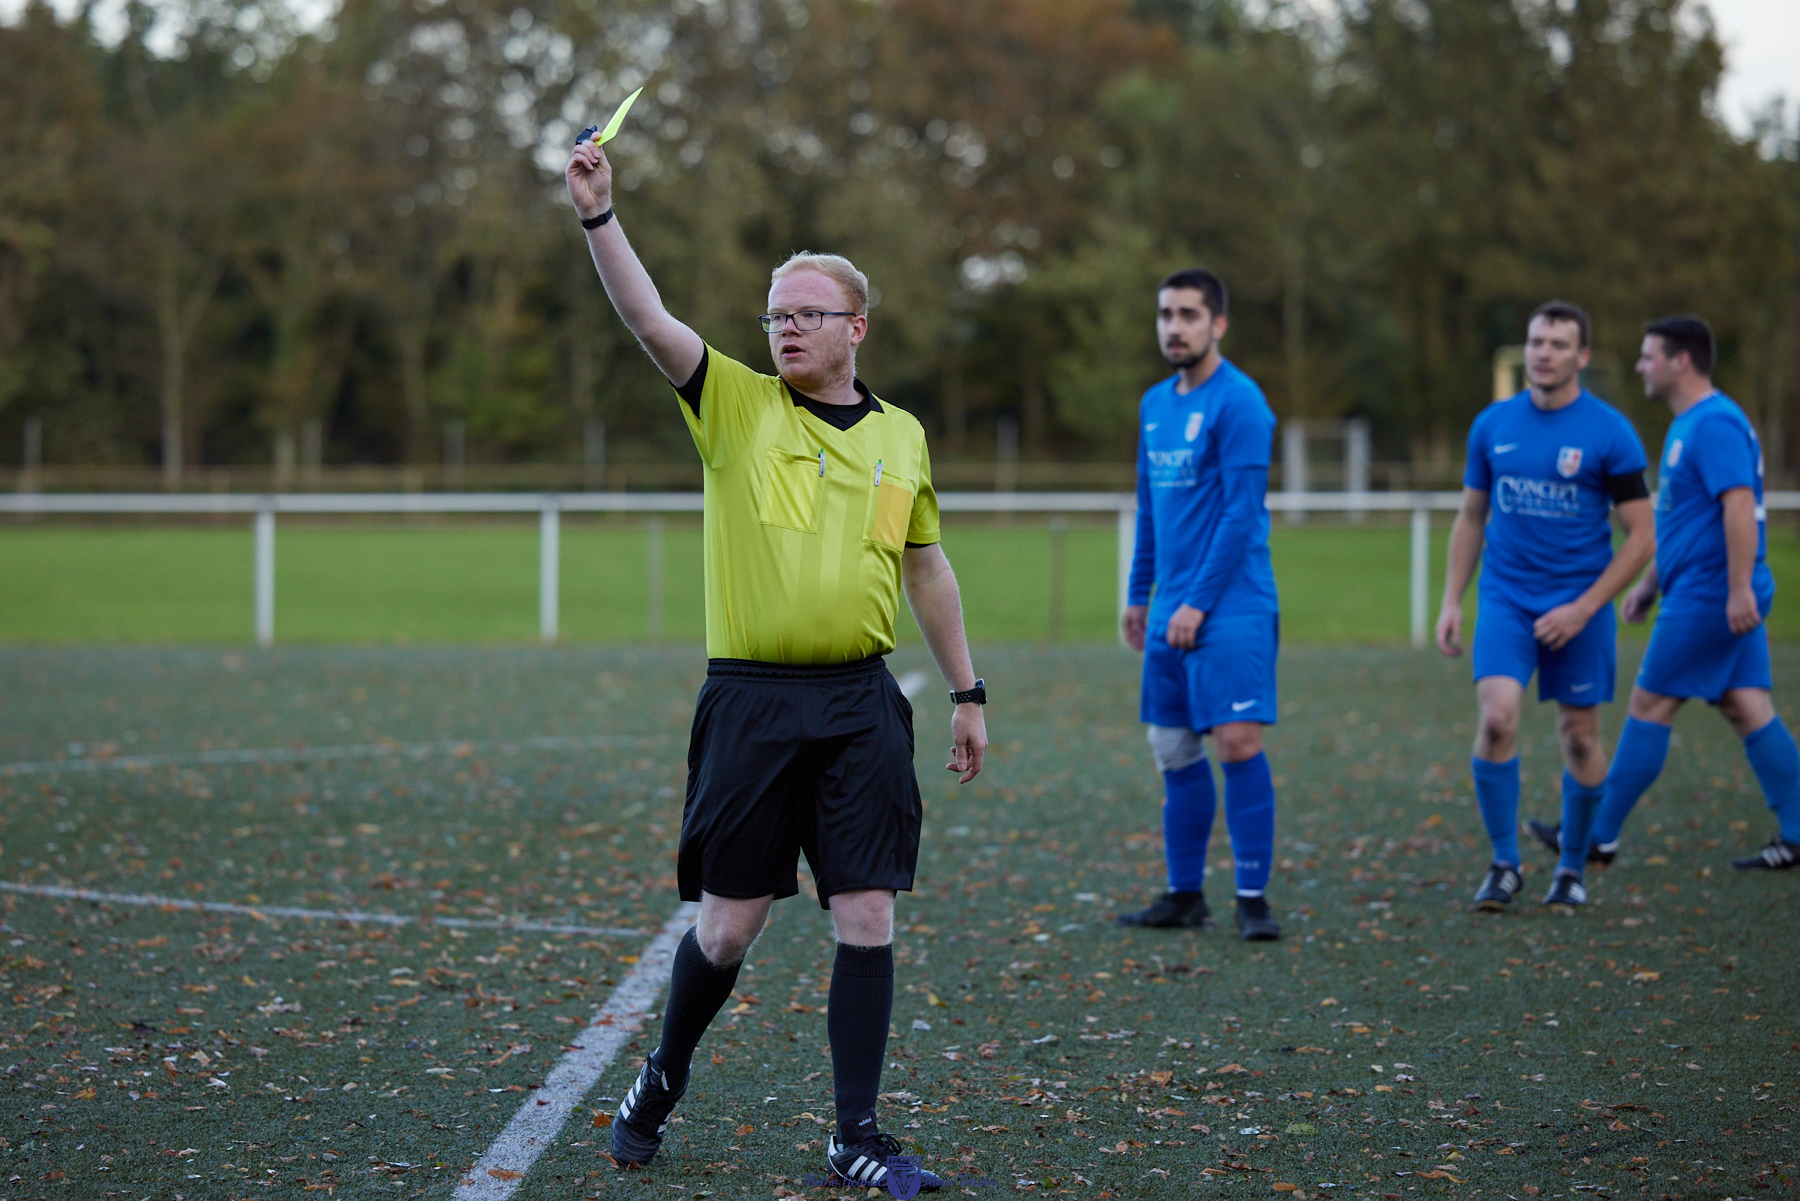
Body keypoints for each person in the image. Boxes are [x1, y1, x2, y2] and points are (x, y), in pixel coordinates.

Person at [566, 130, 988, 1195]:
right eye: (774, 316)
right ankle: (663, 1072)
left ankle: (856, 1132)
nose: (785, 328)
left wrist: (968, 690)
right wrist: (599, 214)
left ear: (856, 327)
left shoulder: (902, 436)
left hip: (860, 703)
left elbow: (926, 566)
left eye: (806, 313)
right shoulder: (737, 405)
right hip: (752, 704)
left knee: (868, 912)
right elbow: (650, 320)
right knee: (728, 927)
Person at [1551, 316, 1800, 876]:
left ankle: (1595, 835)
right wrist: (1648, 584)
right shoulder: (1690, 423)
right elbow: (1685, 521)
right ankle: (1798, 832)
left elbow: (1739, 506)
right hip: (1703, 586)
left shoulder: (1713, 424)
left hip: (1712, 592)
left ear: (1680, 361)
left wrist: (1737, 588)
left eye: (1649, 356)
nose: (1640, 366)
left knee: (1649, 704)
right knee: (1746, 705)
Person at [1434, 301, 1654, 911]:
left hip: (1580, 605)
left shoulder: (1610, 432)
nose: (1543, 353)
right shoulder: (1492, 425)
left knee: (1580, 738)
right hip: (1506, 598)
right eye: (1536, 342)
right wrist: (1451, 600)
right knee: (1497, 718)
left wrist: (1585, 608)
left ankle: (1572, 867)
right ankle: (1504, 864)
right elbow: (1471, 515)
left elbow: (1643, 535)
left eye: (1558, 344)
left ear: (1582, 356)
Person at [1117, 268, 1284, 941]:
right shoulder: (1155, 404)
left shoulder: (1242, 402)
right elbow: (1149, 507)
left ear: (1218, 324)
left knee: (1237, 741)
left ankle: (1253, 898)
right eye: (1166, 314)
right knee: (1172, 744)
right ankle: (1185, 893)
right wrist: (1139, 594)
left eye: (1188, 314)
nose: (1174, 327)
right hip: (1170, 608)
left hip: (1232, 605)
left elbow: (1241, 514)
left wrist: (1196, 603)